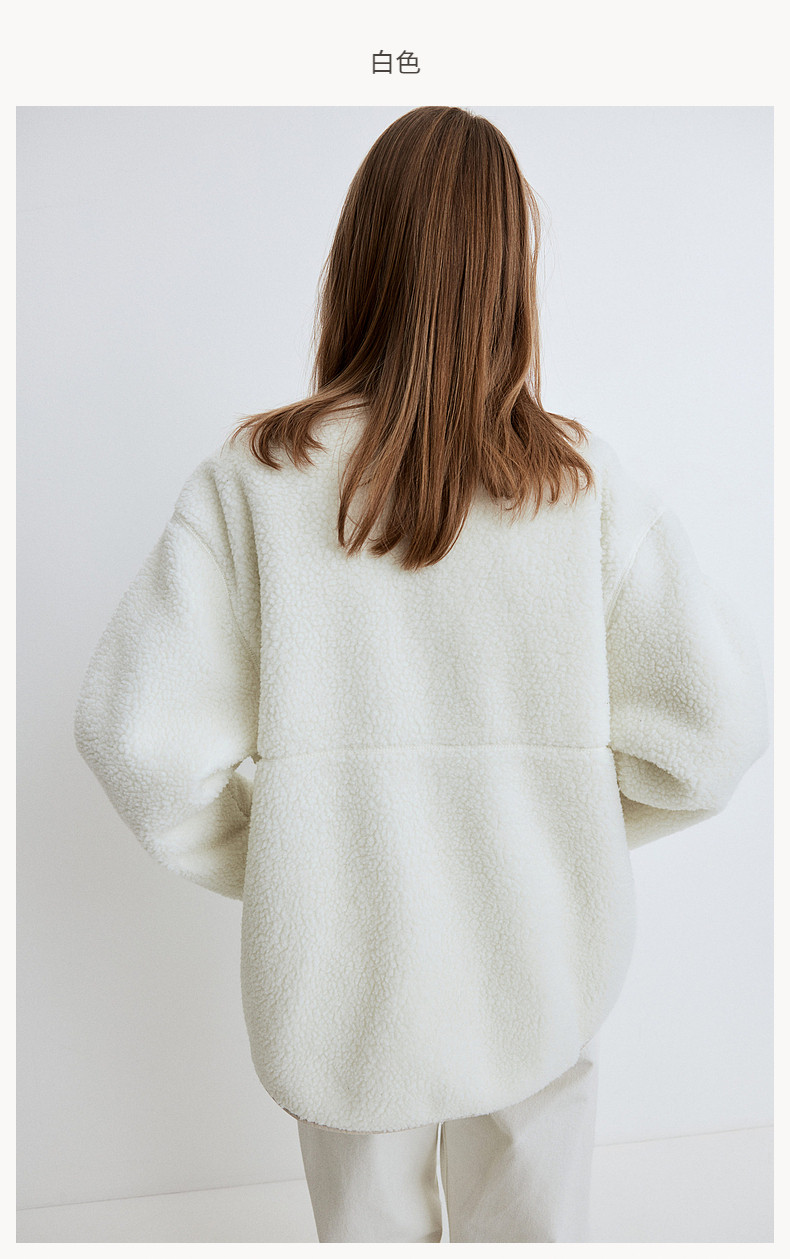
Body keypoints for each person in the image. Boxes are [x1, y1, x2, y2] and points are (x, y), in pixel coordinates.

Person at [72, 106, 770, 1243]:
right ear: (509, 279)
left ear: (358, 257)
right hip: (541, 968)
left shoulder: (258, 479)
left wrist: (292, 849)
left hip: (340, 991)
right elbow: (717, 728)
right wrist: (567, 825)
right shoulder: (580, 487)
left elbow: (133, 739)